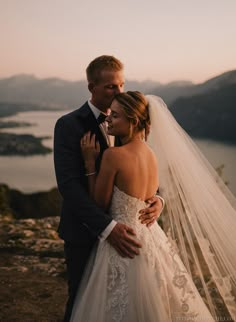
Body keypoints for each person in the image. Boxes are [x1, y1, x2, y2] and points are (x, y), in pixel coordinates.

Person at [70, 91, 236, 322]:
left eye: (115, 116)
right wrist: (159, 201)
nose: (108, 119)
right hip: (150, 239)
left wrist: (89, 163)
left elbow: (98, 205)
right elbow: (150, 195)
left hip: (123, 241)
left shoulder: (113, 156)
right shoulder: (151, 155)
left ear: (134, 121)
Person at [53, 56, 164, 322]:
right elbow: (68, 186)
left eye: (121, 85)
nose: (119, 92)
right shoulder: (68, 125)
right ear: (92, 87)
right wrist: (107, 227)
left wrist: (158, 199)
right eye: (111, 87)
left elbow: (143, 171)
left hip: (127, 234)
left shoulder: (126, 121)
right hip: (84, 232)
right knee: (81, 302)